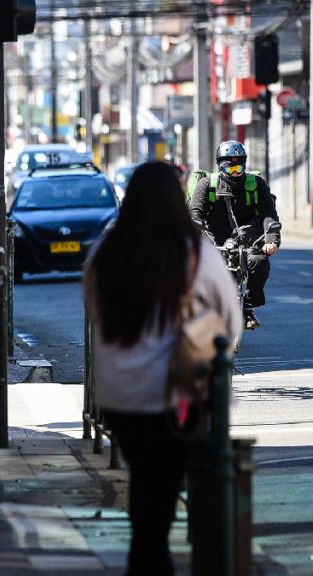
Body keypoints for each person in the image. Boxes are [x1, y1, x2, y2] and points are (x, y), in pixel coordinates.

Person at [84, 162, 241, 575]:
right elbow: (231, 322)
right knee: (166, 481)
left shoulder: (105, 251)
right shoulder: (196, 252)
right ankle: (153, 558)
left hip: (117, 396)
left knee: (147, 477)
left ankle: (148, 554)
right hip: (178, 394)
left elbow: (93, 311)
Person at [188, 140, 281, 330]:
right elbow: (194, 213)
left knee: (259, 261)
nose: (234, 173)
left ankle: (247, 307)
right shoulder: (207, 185)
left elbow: (269, 216)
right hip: (214, 238)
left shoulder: (257, 185)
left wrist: (271, 241)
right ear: (219, 166)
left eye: (238, 168)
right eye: (228, 169)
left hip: (247, 238)